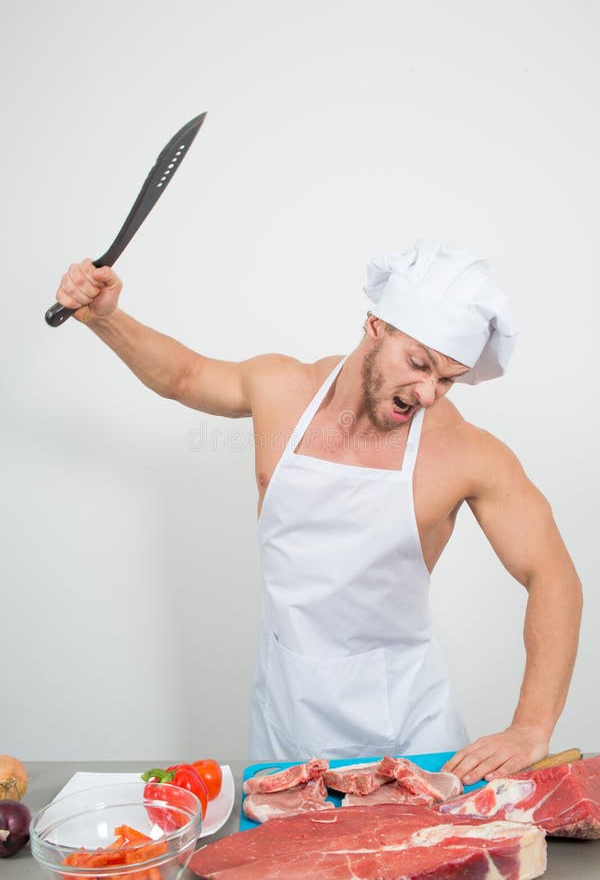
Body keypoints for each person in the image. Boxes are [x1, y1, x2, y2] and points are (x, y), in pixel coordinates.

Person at [54, 239, 582, 785]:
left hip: (411, 738)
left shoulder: (469, 454)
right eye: (419, 364)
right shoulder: (281, 388)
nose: (427, 392)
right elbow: (185, 377)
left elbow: (554, 578)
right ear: (375, 325)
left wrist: (531, 726)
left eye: (446, 379)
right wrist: (101, 318)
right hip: (286, 721)